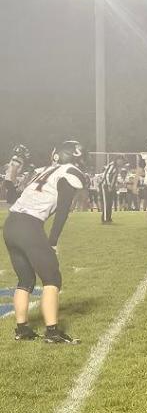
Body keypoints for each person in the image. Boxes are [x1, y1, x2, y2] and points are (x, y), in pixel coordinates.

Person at [3, 141, 88, 344]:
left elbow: (12, 196)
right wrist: (53, 241)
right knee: (52, 279)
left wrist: (11, 171)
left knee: (25, 280)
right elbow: (63, 208)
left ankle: (22, 329)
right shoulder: (69, 172)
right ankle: (52, 332)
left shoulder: (42, 171)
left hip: (11, 224)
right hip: (29, 226)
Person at [99, 155, 125, 224]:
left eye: (122, 161)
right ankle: (104, 219)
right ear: (117, 160)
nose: (121, 162)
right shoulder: (112, 166)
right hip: (105, 186)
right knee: (106, 203)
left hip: (111, 186)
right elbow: (107, 175)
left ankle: (108, 218)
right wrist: (109, 185)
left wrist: (114, 185)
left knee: (110, 203)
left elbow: (114, 177)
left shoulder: (116, 167)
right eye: (120, 160)